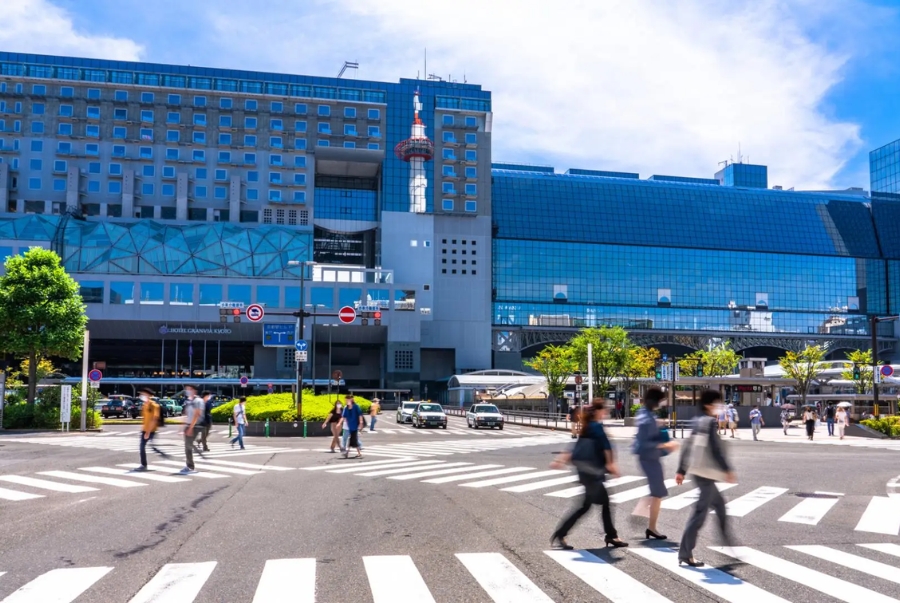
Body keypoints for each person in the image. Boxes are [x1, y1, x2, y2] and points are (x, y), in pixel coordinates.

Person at [549, 399, 627, 550]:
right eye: (604, 410)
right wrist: (612, 465)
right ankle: (611, 535)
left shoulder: (586, 426)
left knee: (586, 506)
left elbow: (574, 448)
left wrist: (560, 460)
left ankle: (561, 533)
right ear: (597, 411)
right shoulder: (597, 427)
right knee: (603, 503)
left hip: (584, 472)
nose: (605, 412)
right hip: (593, 473)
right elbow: (606, 447)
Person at [675, 389, 737, 567]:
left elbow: (687, 446)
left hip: (698, 473)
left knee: (720, 506)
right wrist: (727, 469)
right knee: (699, 514)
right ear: (709, 405)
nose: (719, 406)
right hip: (706, 474)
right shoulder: (709, 422)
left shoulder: (697, 420)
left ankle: (729, 545)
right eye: (717, 403)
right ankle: (685, 553)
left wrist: (681, 470)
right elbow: (715, 449)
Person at [633, 387, 679, 540]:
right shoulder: (646, 418)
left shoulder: (645, 414)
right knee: (658, 492)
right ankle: (651, 527)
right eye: (660, 400)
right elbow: (644, 442)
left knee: (657, 491)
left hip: (650, 458)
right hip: (649, 458)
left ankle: (645, 517)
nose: (661, 403)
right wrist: (665, 445)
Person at [135, 388, 164, 470]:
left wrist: (148, 432)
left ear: (148, 395)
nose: (142, 396)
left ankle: (158, 452)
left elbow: (155, 419)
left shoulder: (154, 405)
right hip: (144, 430)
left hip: (151, 430)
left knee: (146, 446)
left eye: (143, 394)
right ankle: (143, 465)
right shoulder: (144, 405)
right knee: (142, 447)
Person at [181, 386, 202, 474]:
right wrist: (183, 427)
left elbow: (196, 415)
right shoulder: (188, 401)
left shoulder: (197, 401)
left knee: (188, 446)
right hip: (189, 425)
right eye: (187, 389)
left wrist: (190, 428)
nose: (187, 391)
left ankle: (190, 466)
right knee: (187, 446)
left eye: (189, 389)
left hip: (194, 426)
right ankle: (189, 465)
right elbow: (186, 414)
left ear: (194, 391)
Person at [338, 394, 364, 459]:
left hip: (355, 426)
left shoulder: (356, 406)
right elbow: (343, 417)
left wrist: (361, 422)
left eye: (347, 400)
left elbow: (360, 415)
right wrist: (339, 423)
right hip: (349, 426)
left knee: (352, 440)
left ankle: (347, 453)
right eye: (346, 400)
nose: (346, 401)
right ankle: (358, 453)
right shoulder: (346, 408)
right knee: (352, 440)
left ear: (351, 400)